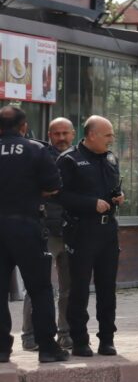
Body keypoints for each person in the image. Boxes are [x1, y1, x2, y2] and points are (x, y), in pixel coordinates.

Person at [0, 106, 69, 363]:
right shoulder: (35, 149)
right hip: (26, 226)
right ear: (23, 127)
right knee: (40, 289)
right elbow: (53, 187)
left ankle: (1, 349)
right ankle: (47, 348)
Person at [57, 116, 123, 357]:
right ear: (92, 135)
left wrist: (118, 196)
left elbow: (113, 187)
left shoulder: (110, 158)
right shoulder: (70, 160)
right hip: (82, 231)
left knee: (108, 288)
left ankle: (107, 339)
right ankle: (79, 340)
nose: (111, 139)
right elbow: (59, 195)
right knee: (80, 289)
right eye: (108, 135)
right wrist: (90, 204)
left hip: (108, 232)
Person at [21, 117, 75, 351]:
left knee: (69, 287)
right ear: (49, 135)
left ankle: (65, 333)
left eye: (65, 133)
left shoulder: (80, 158)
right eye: (56, 134)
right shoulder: (39, 156)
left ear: (73, 133)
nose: (61, 138)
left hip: (73, 229)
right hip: (46, 228)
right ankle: (29, 335)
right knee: (38, 284)